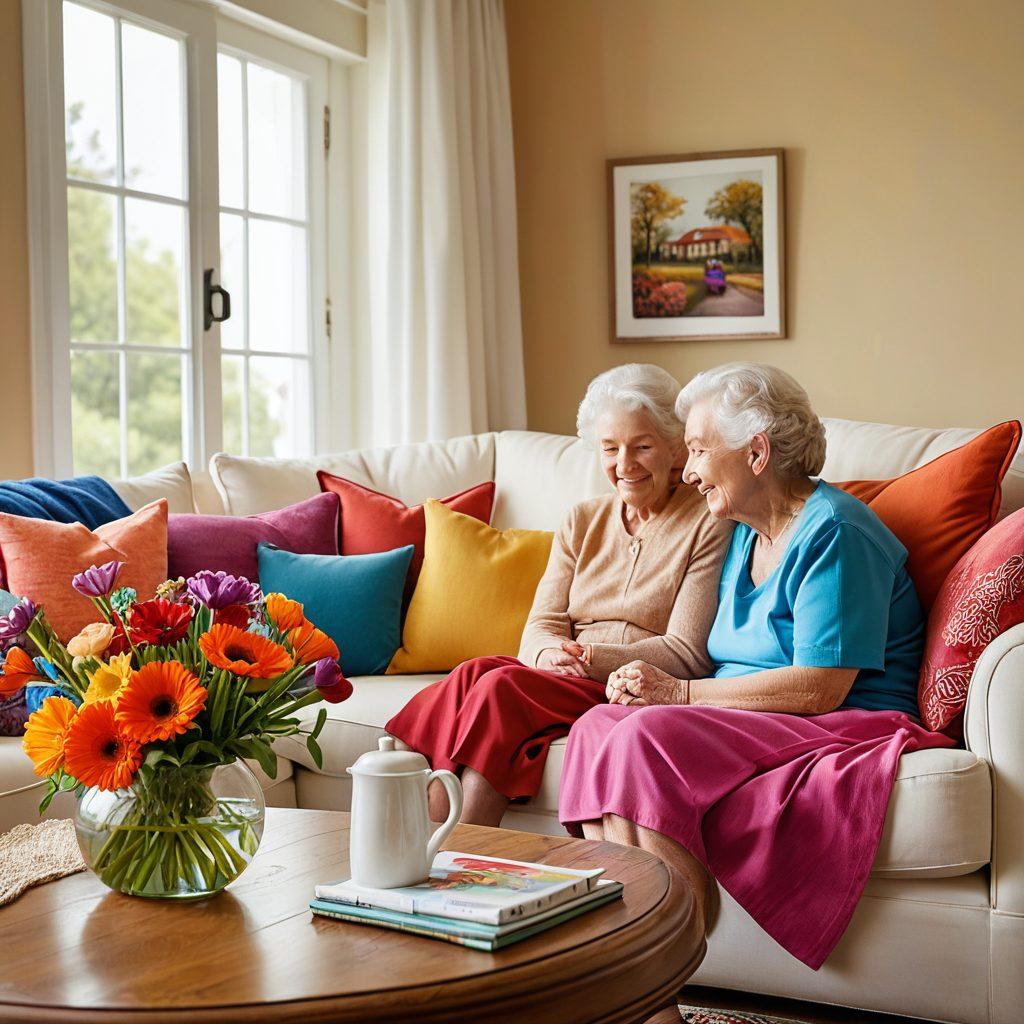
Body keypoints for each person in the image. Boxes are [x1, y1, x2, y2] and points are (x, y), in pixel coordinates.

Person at [559, 362, 954, 966]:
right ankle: (635, 951)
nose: (686, 472)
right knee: (595, 727)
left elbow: (820, 686)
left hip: (843, 720)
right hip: (752, 717)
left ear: (757, 451)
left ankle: (663, 969)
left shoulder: (836, 533)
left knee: (644, 732)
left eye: (695, 450)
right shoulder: (743, 530)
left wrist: (680, 696)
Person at [385, 364, 733, 827]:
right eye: (610, 449)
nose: (624, 465)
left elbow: (687, 653)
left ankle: (463, 848)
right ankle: (416, 843)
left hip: (626, 682)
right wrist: (549, 653)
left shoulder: (708, 522)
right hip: (563, 676)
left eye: (642, 447)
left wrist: (589, 657)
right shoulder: (582, 520)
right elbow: (541, 625)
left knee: (499, 686)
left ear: (675, 448)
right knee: (473, 673)